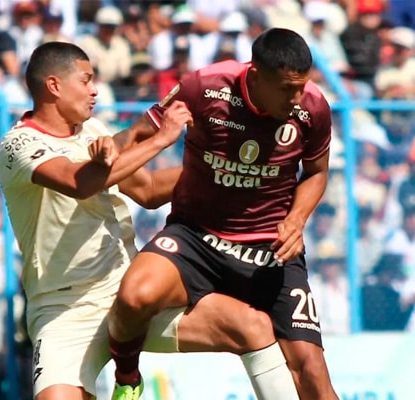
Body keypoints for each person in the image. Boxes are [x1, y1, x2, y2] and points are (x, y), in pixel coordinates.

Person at [0, 42, 299, 400]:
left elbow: (149, 189)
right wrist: (160, 139)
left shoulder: (93, 131)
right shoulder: (18, 144)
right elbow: (79, 183)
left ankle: (128, 377)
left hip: (127, 294)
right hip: (65, 311)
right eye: (86, 80)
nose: (94, 90)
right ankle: (127, 380)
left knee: (252, 326)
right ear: (54, 86)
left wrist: (227, 171)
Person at [108, 28, 340, 400]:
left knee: (312, 374)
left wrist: (297, 219)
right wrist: (94, 148)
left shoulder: (313, 108)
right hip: (196, 238)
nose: (296, 98)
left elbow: (316, 173)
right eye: (286, 89)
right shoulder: (203, 87)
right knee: (135, 296)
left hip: (269, 249)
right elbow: (134, 135)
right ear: (256, 76)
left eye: (301, 87)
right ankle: (127, 379)